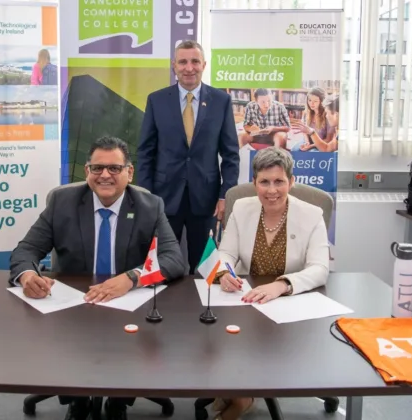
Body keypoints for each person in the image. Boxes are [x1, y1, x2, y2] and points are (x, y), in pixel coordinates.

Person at [9, 136, 186, 420]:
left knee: (128, 342)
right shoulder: (62, 202)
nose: (105, 175)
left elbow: (175, 260)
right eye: (97, 168)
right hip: (73, 304)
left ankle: (118, 401)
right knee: (71, 343)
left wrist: (131, 277)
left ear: (130, 173)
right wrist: (28, 275)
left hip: (128, 304)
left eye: (114, 168)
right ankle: (77, 401)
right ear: (86, 172)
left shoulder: (149, 206)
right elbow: (26, 250)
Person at [210, 147, 330, 420]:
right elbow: (226, 252)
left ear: (292, 181)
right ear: (254, 183)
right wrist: (225, 272)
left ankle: (241, 398)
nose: (271, 190)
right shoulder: (242, 207)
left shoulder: (311, 214)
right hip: (244, 302)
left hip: (289, 307)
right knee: (222, 343)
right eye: (264, 181)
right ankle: (242, 395)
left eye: (279, 181)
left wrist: (281, 285)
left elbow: (320, 268)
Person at [138, 40, 239, 274]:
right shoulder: (157, 100)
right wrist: (145, 197)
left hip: (206, 201)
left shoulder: (221, 101)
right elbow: (145, 152)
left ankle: (203, 310)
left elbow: (231, 154)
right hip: (163, 199)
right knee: (161, 266)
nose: (189, 67)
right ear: (174, 66)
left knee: (204, 268)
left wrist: (226, 195)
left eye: (195, 61)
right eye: (183, 62)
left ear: (204, 64)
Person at [291, 87, 335, 152]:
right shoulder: (306, 113)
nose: (312, 103)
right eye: (310, 100)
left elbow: (328, 140)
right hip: (308, 142)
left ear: (322, 102)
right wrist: (307, 142)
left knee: (312, 153)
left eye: (315, 101)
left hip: (321, 144)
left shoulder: (328, 116)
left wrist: (311, 146)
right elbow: (305, 131)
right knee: (294, 150)